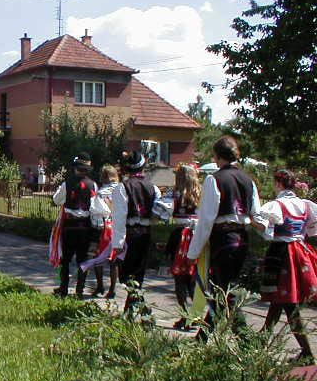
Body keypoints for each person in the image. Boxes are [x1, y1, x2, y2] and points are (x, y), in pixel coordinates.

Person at [186, 136, 265, 338]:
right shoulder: (248, 180)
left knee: (226, 293)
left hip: (223, 239)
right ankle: (202, 338)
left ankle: (246, 340)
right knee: (223, 290)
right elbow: (256, 215)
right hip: (242, 238)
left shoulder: (214, 180)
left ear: (217, 156)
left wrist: (193, 253)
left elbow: (206, 220)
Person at [258, 169, 317, 361]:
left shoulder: (277, 205)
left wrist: (251, 221)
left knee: (287, 301)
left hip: (282, 254)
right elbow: (311, 230)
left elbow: (264, 228)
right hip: (300, 252)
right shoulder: (305, 205)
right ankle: (261, 340)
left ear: (278, 184)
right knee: (280, 299)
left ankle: (307, 353)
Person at [110, 150, 161, 314]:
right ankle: (136, 310)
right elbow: (158, 214)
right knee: (137, 273)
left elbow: (119, 217)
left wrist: (117, 243)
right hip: (145, 233)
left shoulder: (122, 187)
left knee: (127, 275)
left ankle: (139, 310)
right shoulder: (153, 188)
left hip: (130, 234)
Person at [52, 152, 107, 298]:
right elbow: (96, 207)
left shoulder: (67, 183)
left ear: (75, 167)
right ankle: (79, 291)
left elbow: (56, 200)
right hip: (85, 226)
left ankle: (63, 289)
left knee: (65, 260)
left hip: (69, 226)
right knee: (82, 259)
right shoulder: (93, 185)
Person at [164, 163, 201, 330]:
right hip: (197, 236)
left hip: (181, 236)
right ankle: (196, 315)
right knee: (193, 278)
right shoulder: (201, 194)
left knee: (179, 278)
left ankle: (185, 315)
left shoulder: (174, 193)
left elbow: (163, 212)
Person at [80, 165, 119, 297]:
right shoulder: (121, 190)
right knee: (114, 259)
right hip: (117, 228)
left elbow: (95, 213)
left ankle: (100, 286)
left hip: (102, 228)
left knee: (98, 258)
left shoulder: (101, 192)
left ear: (103, 177)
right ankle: (112, 289)